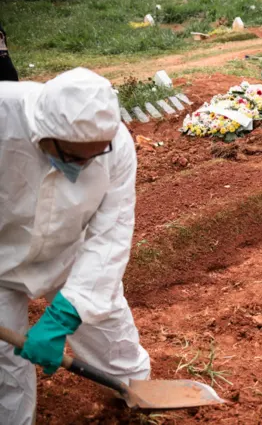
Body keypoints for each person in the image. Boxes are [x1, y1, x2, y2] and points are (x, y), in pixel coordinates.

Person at [0, 68, 150, 424]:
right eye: (76, 157)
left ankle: (138, 397)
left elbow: (111, 233)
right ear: (46, 137)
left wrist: (67, 313)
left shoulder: (116, 145)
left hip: (70, 251)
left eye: (96, 155)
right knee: (3, 363)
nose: (88, 165)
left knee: (111, 334)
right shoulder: (4, 115)